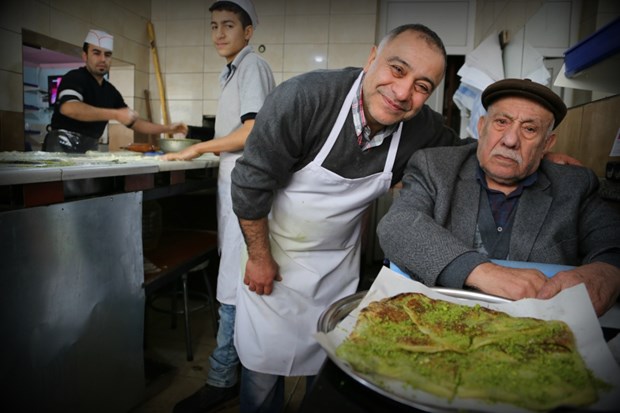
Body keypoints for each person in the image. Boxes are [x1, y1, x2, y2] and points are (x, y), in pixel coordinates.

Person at [229, 23, 468, 412]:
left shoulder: (421, 128)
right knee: (261, 373)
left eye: (423, 86)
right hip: (270, 256)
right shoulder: (305, 99)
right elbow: (249, 185)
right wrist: (258, 257)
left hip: (336, 269)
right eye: (397, 69)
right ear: (372, 57)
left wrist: (541, 161)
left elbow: (463, 153)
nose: (404, 93)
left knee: (327, 369)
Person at [377, 78, 620, 317]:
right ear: (482, 126)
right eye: (501, 122)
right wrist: (481, 271)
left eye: (530, 129)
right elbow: (398, 225)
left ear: (547, 143)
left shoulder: (574, 184)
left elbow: (611, 242)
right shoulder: (436, 167)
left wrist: (608, 272)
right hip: (439, 322)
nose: (511, 140)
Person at [167, 1, 275, 413]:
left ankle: (222, 378)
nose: (219, 33)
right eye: (214, 25)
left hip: (245, 190)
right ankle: (234, 372)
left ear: (248, 32)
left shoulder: (252, 67)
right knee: (231, 280)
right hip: (233, 187)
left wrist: (198, 147)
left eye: (229, 25)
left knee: (232, 285)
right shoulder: (231, 71)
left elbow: (251, 131)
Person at [43, 29, 187, 153]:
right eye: (96, 53)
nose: (102, 59)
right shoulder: (74, 78)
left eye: (107, 55)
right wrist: (116, 114)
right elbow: (69, 108)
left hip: (88, 150)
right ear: (85, 56)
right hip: (60, 149)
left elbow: (135, 123)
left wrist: (168, 129)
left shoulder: (110, 92)